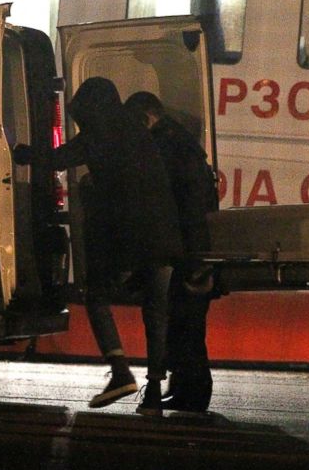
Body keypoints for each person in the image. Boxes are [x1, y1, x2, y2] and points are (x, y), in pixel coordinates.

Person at [14, 77, 183, 416]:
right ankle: (153, 389)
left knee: (97, 295)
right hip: (165, 236)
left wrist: (25, 154)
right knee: (156, 311)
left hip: (132, 239)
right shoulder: (137, 131)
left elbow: (61, 158)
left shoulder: (100, 132)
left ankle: (120, 372)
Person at [125, 91, 219, 413]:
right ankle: (185, 388)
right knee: (185, 322)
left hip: (189, 251)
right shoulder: (180, 142)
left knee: (186, 323)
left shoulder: (170, 148)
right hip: (191, 249)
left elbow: (187, 206)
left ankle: (192, 393)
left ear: (146, 117)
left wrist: (193, 260)